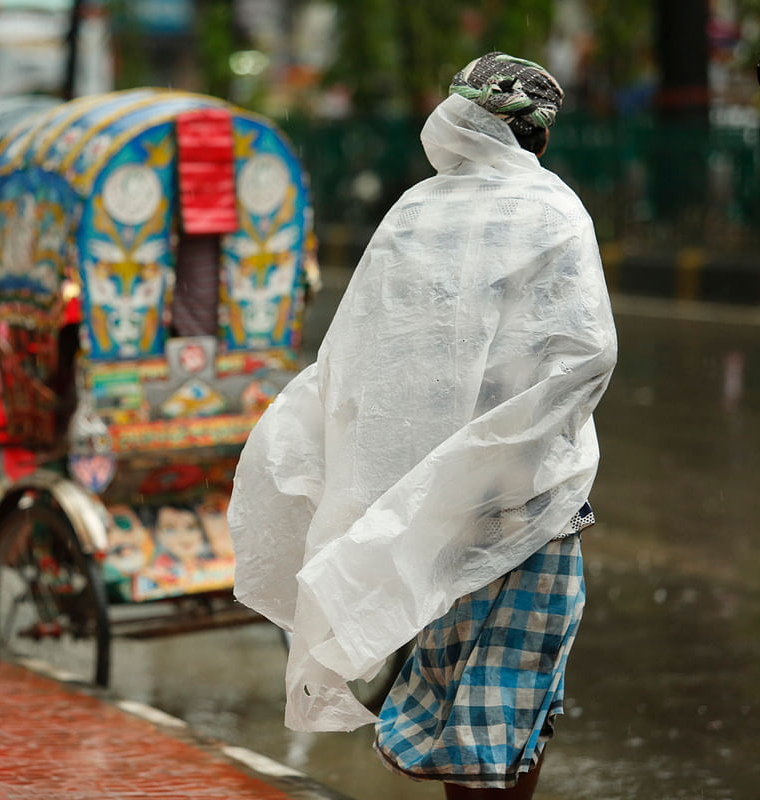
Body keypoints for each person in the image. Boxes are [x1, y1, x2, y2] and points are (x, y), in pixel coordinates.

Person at [228, 52, 617, 799]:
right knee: (513, 703)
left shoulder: (414, 210)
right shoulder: (552, 210)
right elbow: (587, 355)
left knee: (453, 701)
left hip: (427, 515)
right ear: (536, 136)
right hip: (525, 508)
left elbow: (365, 358)